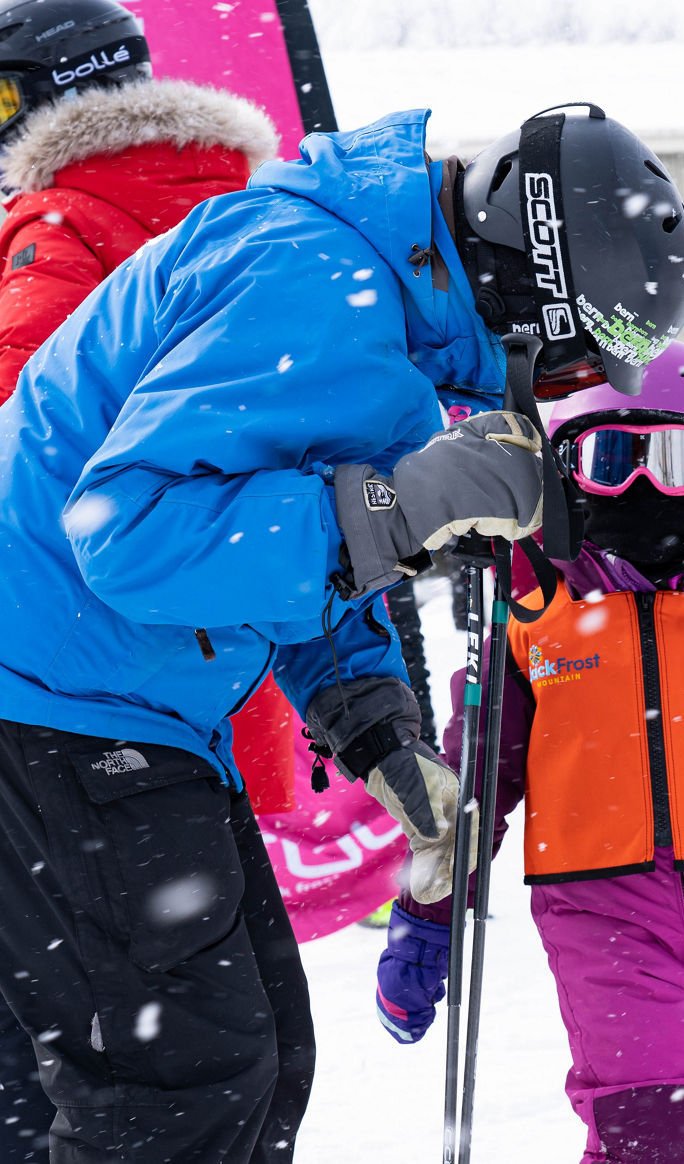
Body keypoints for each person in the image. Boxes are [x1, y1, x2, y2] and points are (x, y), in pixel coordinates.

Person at [0, 86, 684, 1161]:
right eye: (567, 362)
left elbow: (274, 548)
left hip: (100, 700)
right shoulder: (318, 283)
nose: (552, 391)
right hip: (57, 704)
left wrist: (375, 728)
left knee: (243, 1055)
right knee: (183, 1076)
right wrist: (402, 505)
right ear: (528, 285)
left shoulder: (363, 292)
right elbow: (136, 536)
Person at [373, 342, 684, 1164]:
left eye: (678, 458)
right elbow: (474, 787)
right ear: (566, 478)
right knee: (654, 1127)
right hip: (599, 912)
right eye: (609, 458)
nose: (644, 485)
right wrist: (429, 914)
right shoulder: (532, 615)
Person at [0, 1, 282, 1157]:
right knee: (217, 1059)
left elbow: (27, 449)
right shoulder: (256, 219)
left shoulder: (59, 231)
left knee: (108, 1069)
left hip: (54, 702)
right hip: (197, 691)